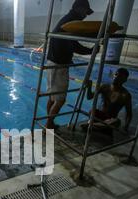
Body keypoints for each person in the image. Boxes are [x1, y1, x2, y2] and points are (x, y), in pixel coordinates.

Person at [45, 0, 95, 129]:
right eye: (85, 12)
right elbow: (74, 45)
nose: (85, 16)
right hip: (59, 65)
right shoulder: (71, 23)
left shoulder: (66, 20)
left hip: (52, 62)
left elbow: (71, 44)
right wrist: (90, 50)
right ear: (79, 8)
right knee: (60, 100)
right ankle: (48, 125)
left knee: (52, 97)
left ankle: (49, 123)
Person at [81, 68, 133, 134]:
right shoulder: (104, 87)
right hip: (99, 116)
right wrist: (89, 87)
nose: (116, 77)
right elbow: (89, 97)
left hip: (110, 120)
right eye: (116, 74)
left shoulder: (125, 95)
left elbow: (129, 113)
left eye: (120, 76)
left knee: (117, 121)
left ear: (125, 80)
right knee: (92, 111)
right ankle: (97, 126)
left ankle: (93, 126)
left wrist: (126, 127)